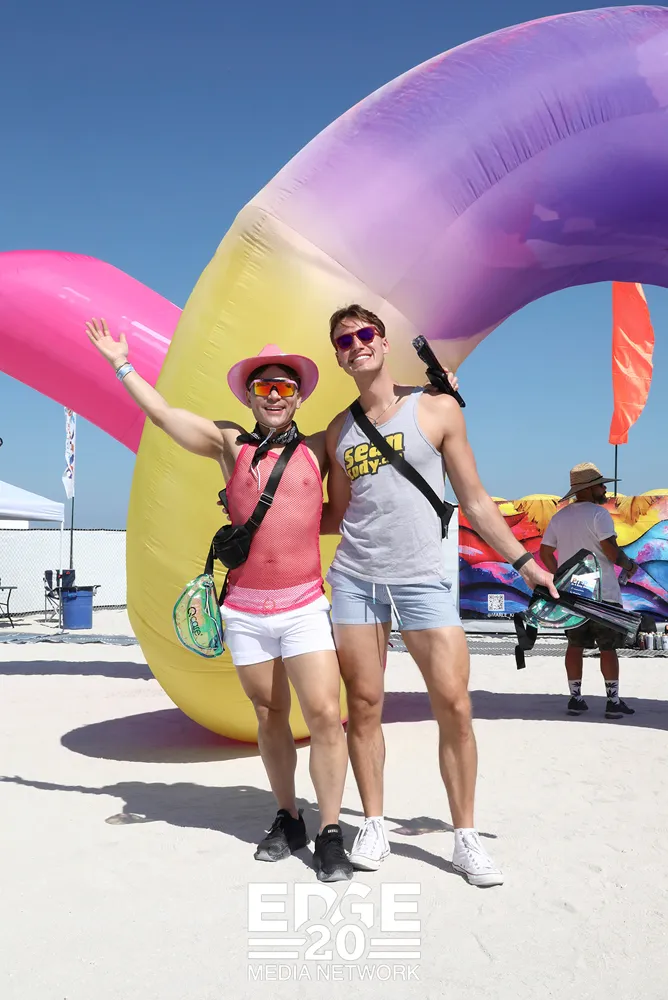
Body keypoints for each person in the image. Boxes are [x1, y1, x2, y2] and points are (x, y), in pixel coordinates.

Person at [84, 318, 353, 882]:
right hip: (246, 609)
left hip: (304, 604)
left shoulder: (318, 446)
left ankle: (330, 831)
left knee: (327, 716)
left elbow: (373, 422)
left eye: (284, 386)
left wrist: (430, 390)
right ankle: (288, 817)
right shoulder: (230, 443)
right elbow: (164, 415)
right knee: (269, 716)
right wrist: (121, 363)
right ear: (249, 397)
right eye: (264, 387)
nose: (274, 396)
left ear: (299, 395)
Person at [320, 304, 558, 888]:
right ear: (339, 356)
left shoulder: (435, 407)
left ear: (383, 342)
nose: (357, 345)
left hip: (423, 577)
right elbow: (337, 513)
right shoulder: (337, 430)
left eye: (365, 334)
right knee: (364, 705)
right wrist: (260, 514)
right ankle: (373, 823)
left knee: (453, 704)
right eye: (345, 341)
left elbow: (474, 499)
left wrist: (525, 563)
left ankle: (465, 837)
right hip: (355, 579)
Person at [540, 462, 639, 720]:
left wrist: (561, 577)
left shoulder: (560, 517)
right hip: (603, 594)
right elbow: (611, 552)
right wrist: (630, 566)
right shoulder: (599, 515)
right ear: (588, 488)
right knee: (608, 648)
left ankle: (576, 699)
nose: (605, 489)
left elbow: (545, 553)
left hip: (572, 595)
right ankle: (613, 702)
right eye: (601, 485)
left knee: (574, 645)